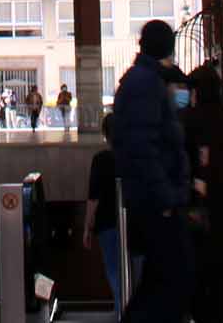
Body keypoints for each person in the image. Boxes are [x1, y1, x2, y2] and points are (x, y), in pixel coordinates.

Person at [108, 20, 194, 321]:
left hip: (152, 198)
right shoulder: (145, 84)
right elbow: (142, 147)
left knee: (159, 283)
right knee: (172, 281)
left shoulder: (144, 80)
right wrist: (167, 198)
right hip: (157, 202)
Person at [181, 65, 223, 323]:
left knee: (203, 291)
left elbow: (187, 166)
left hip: (201, 220)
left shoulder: (190, 120)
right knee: (221, 286)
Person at [82, 115, 143, 304]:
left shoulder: (100, 160)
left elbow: (93, 198)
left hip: (107, 225)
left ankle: (122, 311)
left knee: (115, 275)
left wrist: (87, 227)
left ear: (105, 135)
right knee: (138, 276)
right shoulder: (137, 158)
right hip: (136, 224)